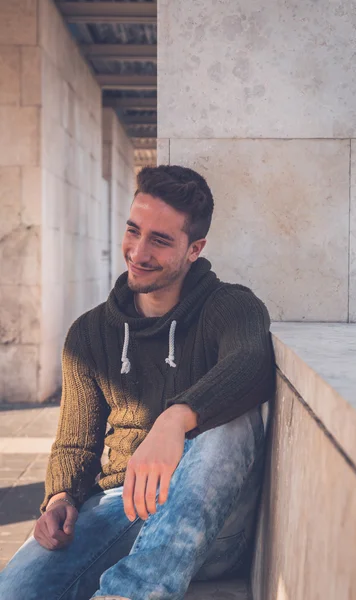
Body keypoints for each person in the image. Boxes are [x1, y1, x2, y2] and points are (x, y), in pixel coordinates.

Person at [0, 165, 275, 600]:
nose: (138, 251)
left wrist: (174, 420)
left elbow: (251, 361)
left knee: (229, 421)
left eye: (160, 240)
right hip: (120, 506)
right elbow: (76, 444)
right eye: (134, 231)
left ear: (194, 249)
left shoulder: (231, 307)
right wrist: (60, 501)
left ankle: (129, 593)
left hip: (211, 522)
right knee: (15, 590)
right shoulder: (90, 334)